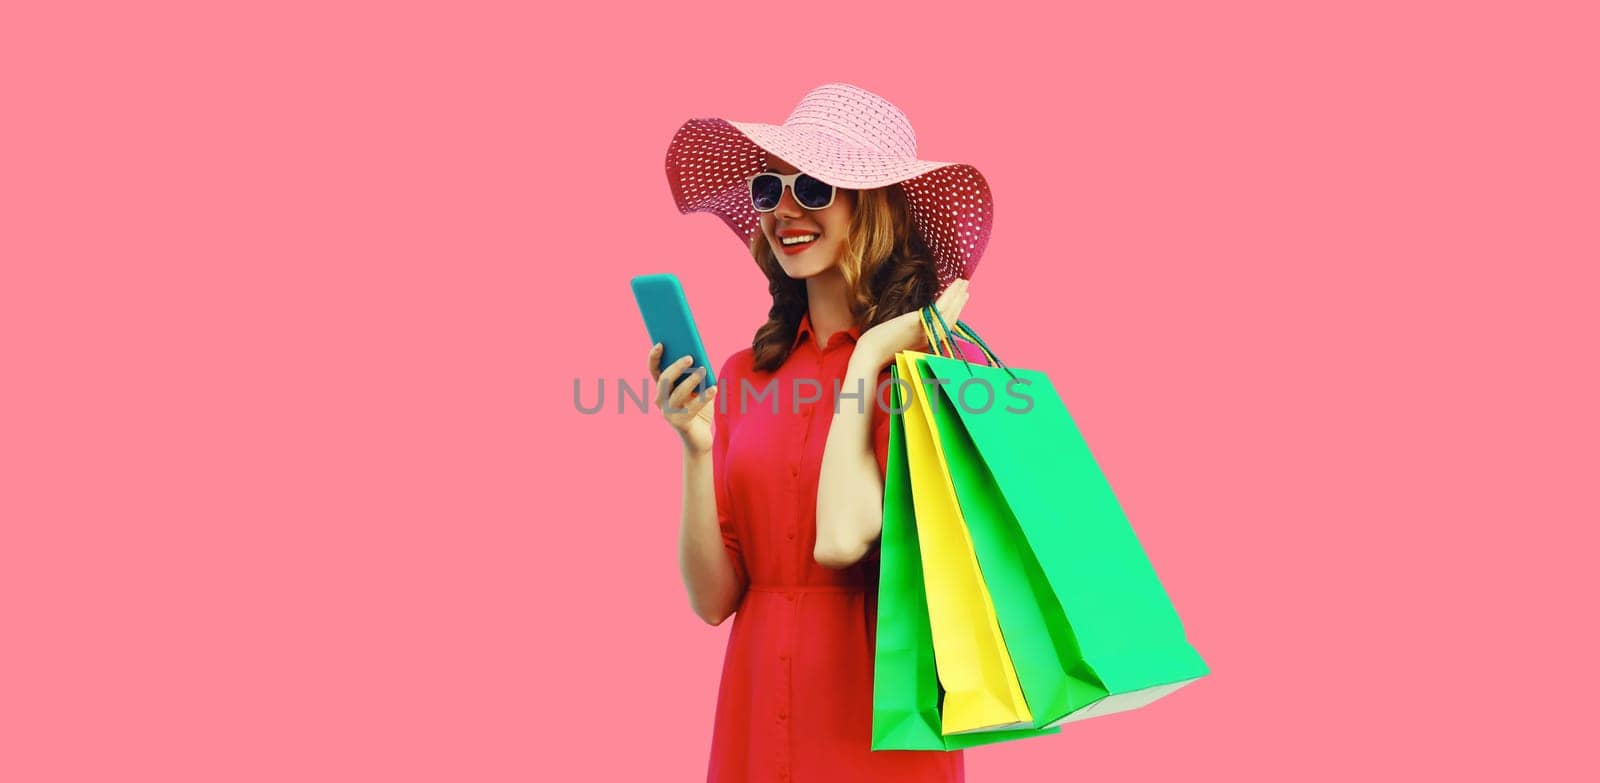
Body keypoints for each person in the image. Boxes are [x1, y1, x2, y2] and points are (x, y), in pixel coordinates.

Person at [649, 83, 994, 782]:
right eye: (769, 187)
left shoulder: (928, 370)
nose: (785, 209)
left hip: (876, 723)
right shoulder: (747, 372)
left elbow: (843, 537)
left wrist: (867, 357)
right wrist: (697, 447)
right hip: (753, 711)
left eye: (813, 186)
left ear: (876, 207)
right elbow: (714, 599)